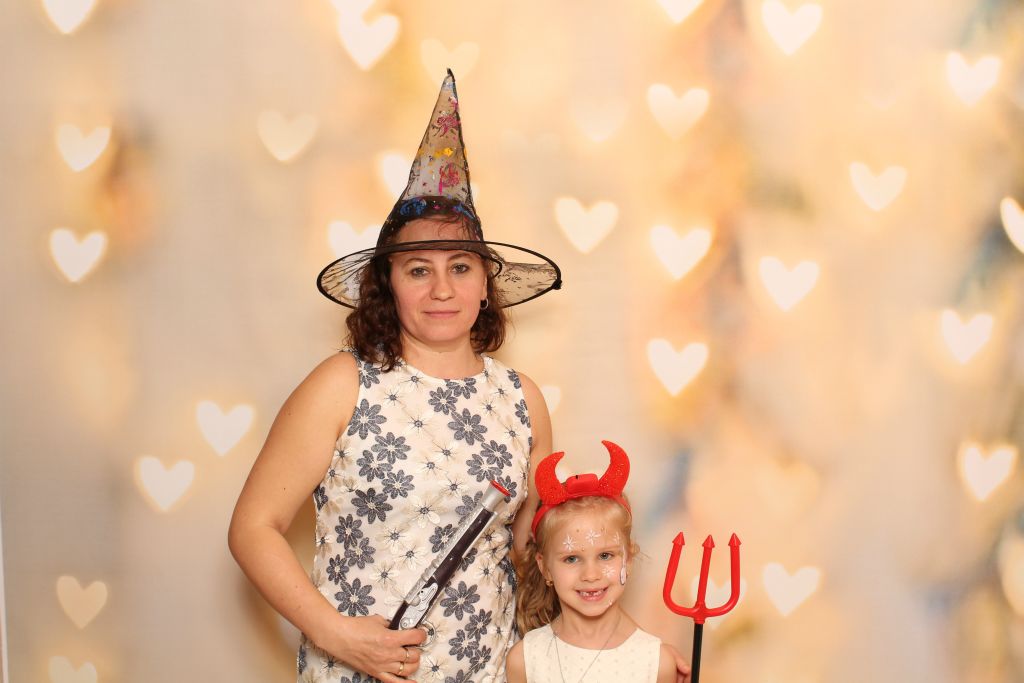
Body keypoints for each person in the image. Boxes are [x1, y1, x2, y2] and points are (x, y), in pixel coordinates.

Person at [228, 70, 562, 683]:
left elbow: (537, 557)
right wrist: (337, 635)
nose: (442, 289)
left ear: (485, 286)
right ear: (389, 286)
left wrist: (624, 646)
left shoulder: (522, 400)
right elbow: (253, 528)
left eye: (460, 267)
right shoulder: (343, 385)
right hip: (356, 673)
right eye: (418, 270)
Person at [505, 442, 679, 683]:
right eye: (571, 558)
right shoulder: (525, 660)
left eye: (605, 556)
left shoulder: (656, 663)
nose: (591, 574)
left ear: (628, 559)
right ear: (545, 567)